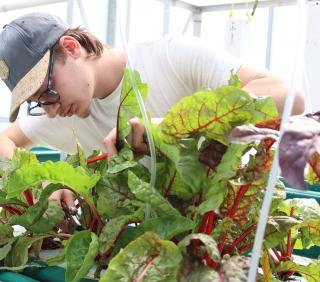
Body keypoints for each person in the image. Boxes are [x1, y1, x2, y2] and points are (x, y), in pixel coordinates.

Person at [0, 12, 305, 207]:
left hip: (228, 238)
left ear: (71, 47)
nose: (50, 111)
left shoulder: (171, 57)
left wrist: (173, 126)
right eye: (39, 102)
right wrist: (44, 190)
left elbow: (288, 97)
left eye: (48, 91)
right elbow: (4, 142)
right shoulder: (64, 112)